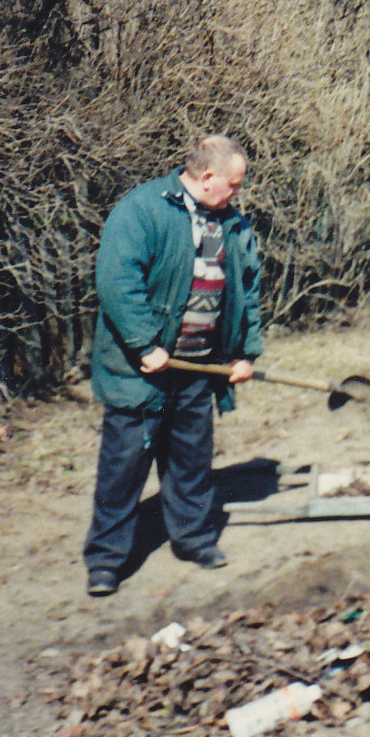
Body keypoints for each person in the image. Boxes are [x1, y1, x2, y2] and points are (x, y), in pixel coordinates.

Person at [82, 135, 263, 596]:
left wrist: (245, 353)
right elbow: (118, 281)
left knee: (191, 464)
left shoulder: (234, 226)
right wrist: (145, 344)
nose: (237, 193)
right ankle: (106, 561)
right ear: (207, 179)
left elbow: (248, 292)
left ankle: (195, 540)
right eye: (234, 184)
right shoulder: (142, 210)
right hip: (142, 372)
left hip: (200, 370)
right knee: (123, 469)